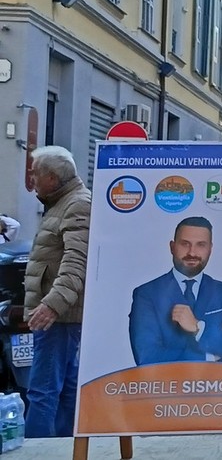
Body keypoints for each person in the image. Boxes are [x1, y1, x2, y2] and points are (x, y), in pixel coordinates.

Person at [23, 146, 90, 438]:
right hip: (58, 315)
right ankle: (68, 446)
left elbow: (77, 261)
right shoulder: (62, 202)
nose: (31, 178)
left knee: (43, 391)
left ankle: (36, 452)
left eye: (35, 173)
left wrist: (52, 305)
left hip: (58, 317)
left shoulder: (77, 205)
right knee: (65, 388)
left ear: (52, 177)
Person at [128, 216, 222, 365]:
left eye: (201, 245)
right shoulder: (146, 293)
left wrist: (198, 327)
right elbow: (147, 357)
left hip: (215, 381)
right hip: (168, 381)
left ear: (210, 249)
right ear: (172, 247)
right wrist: (210, 354)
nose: (192, 252)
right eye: (185, 244)